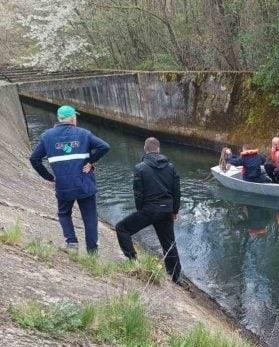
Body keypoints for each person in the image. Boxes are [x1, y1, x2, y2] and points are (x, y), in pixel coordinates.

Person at [30, 105, 110, 253]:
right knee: (90, 218)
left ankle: (71, 242)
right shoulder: (84, 134)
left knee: (64, 213)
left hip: (63, 185)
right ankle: (92, 251)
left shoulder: (47, 136)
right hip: (84, 184)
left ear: (59, 118)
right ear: (73, 118)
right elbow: (104, 147)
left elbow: (34, 159)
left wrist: (49, 177)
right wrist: (90, 161)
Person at [115, 137, 181, 282]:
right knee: (169, 244)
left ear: (145, 149)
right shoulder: (171, 167)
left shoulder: (140, 168)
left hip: (149, 210)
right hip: (166, 210)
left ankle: (133, 260)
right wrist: (174, 211)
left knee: (122, 228)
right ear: (158, 149)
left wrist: (142, 212)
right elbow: (176, 191)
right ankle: (176, 277)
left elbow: (138, 194)